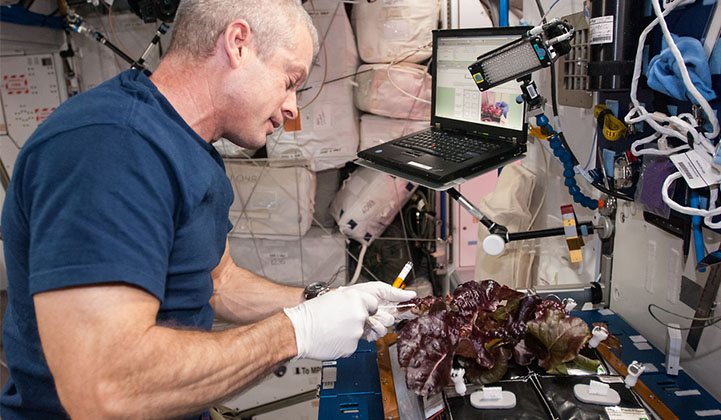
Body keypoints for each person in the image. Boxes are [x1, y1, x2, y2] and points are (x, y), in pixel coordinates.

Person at [0, 1, 415, 418]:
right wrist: (296, 331)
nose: (292, 108)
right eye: (290, 81)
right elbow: (105, 389)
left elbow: (218, 282)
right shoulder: (112, 146)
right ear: (238, 44)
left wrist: (323, 301)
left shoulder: (190, 150)